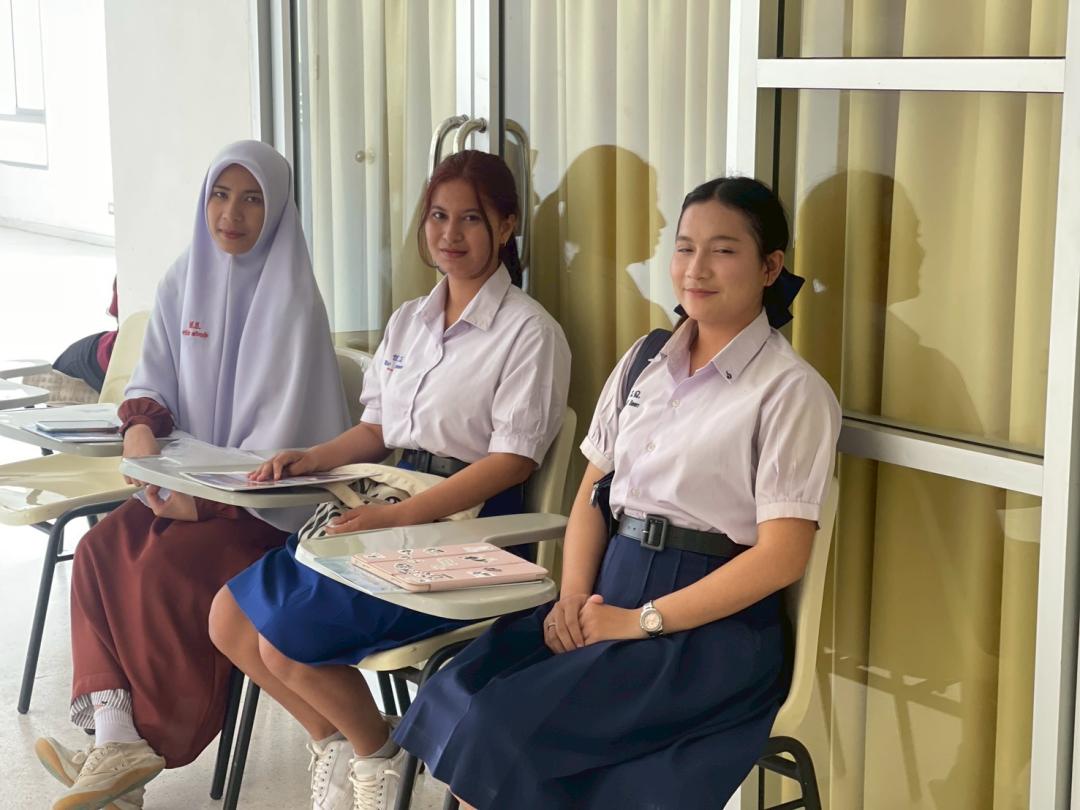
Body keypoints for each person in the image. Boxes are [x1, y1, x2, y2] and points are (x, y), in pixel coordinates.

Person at [393, 176, 842, 809]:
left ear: (770, 267)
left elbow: (782, 557)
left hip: (706, 631)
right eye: (684, 248)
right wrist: (574, 598)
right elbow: (591, 497)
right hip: (608, 589)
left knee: (505, 728)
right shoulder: (644, 360)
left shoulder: (790, 391)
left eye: (723, 250)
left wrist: (639, 621)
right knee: (460, 688)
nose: (696, 268)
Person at [209, 150, 571, 810]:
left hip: (468, 526)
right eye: (438, 216)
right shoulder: (409, 319)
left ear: (506, 226)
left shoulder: (529, 332)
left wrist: (400, 518)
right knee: (228, 620)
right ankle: (346, 744)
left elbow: (511, 462)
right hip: (388, 497)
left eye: (470, 219)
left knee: (286, 640)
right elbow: (378, 429)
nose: (450, 234)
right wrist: (313, 456)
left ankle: (377, 756)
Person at [35, 140, 351, 810]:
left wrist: (204, 505)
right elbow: (152, 378)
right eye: (220, 195)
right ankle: (117, 743)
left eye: (252, 199)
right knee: (97, 549)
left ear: (277, 209)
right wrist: (141, 425)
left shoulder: (293, 301)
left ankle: (137, 749)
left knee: (162, 570)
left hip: (261, 514)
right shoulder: (185, 278)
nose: (231, 214)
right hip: (184, 492)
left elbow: (284, 452)